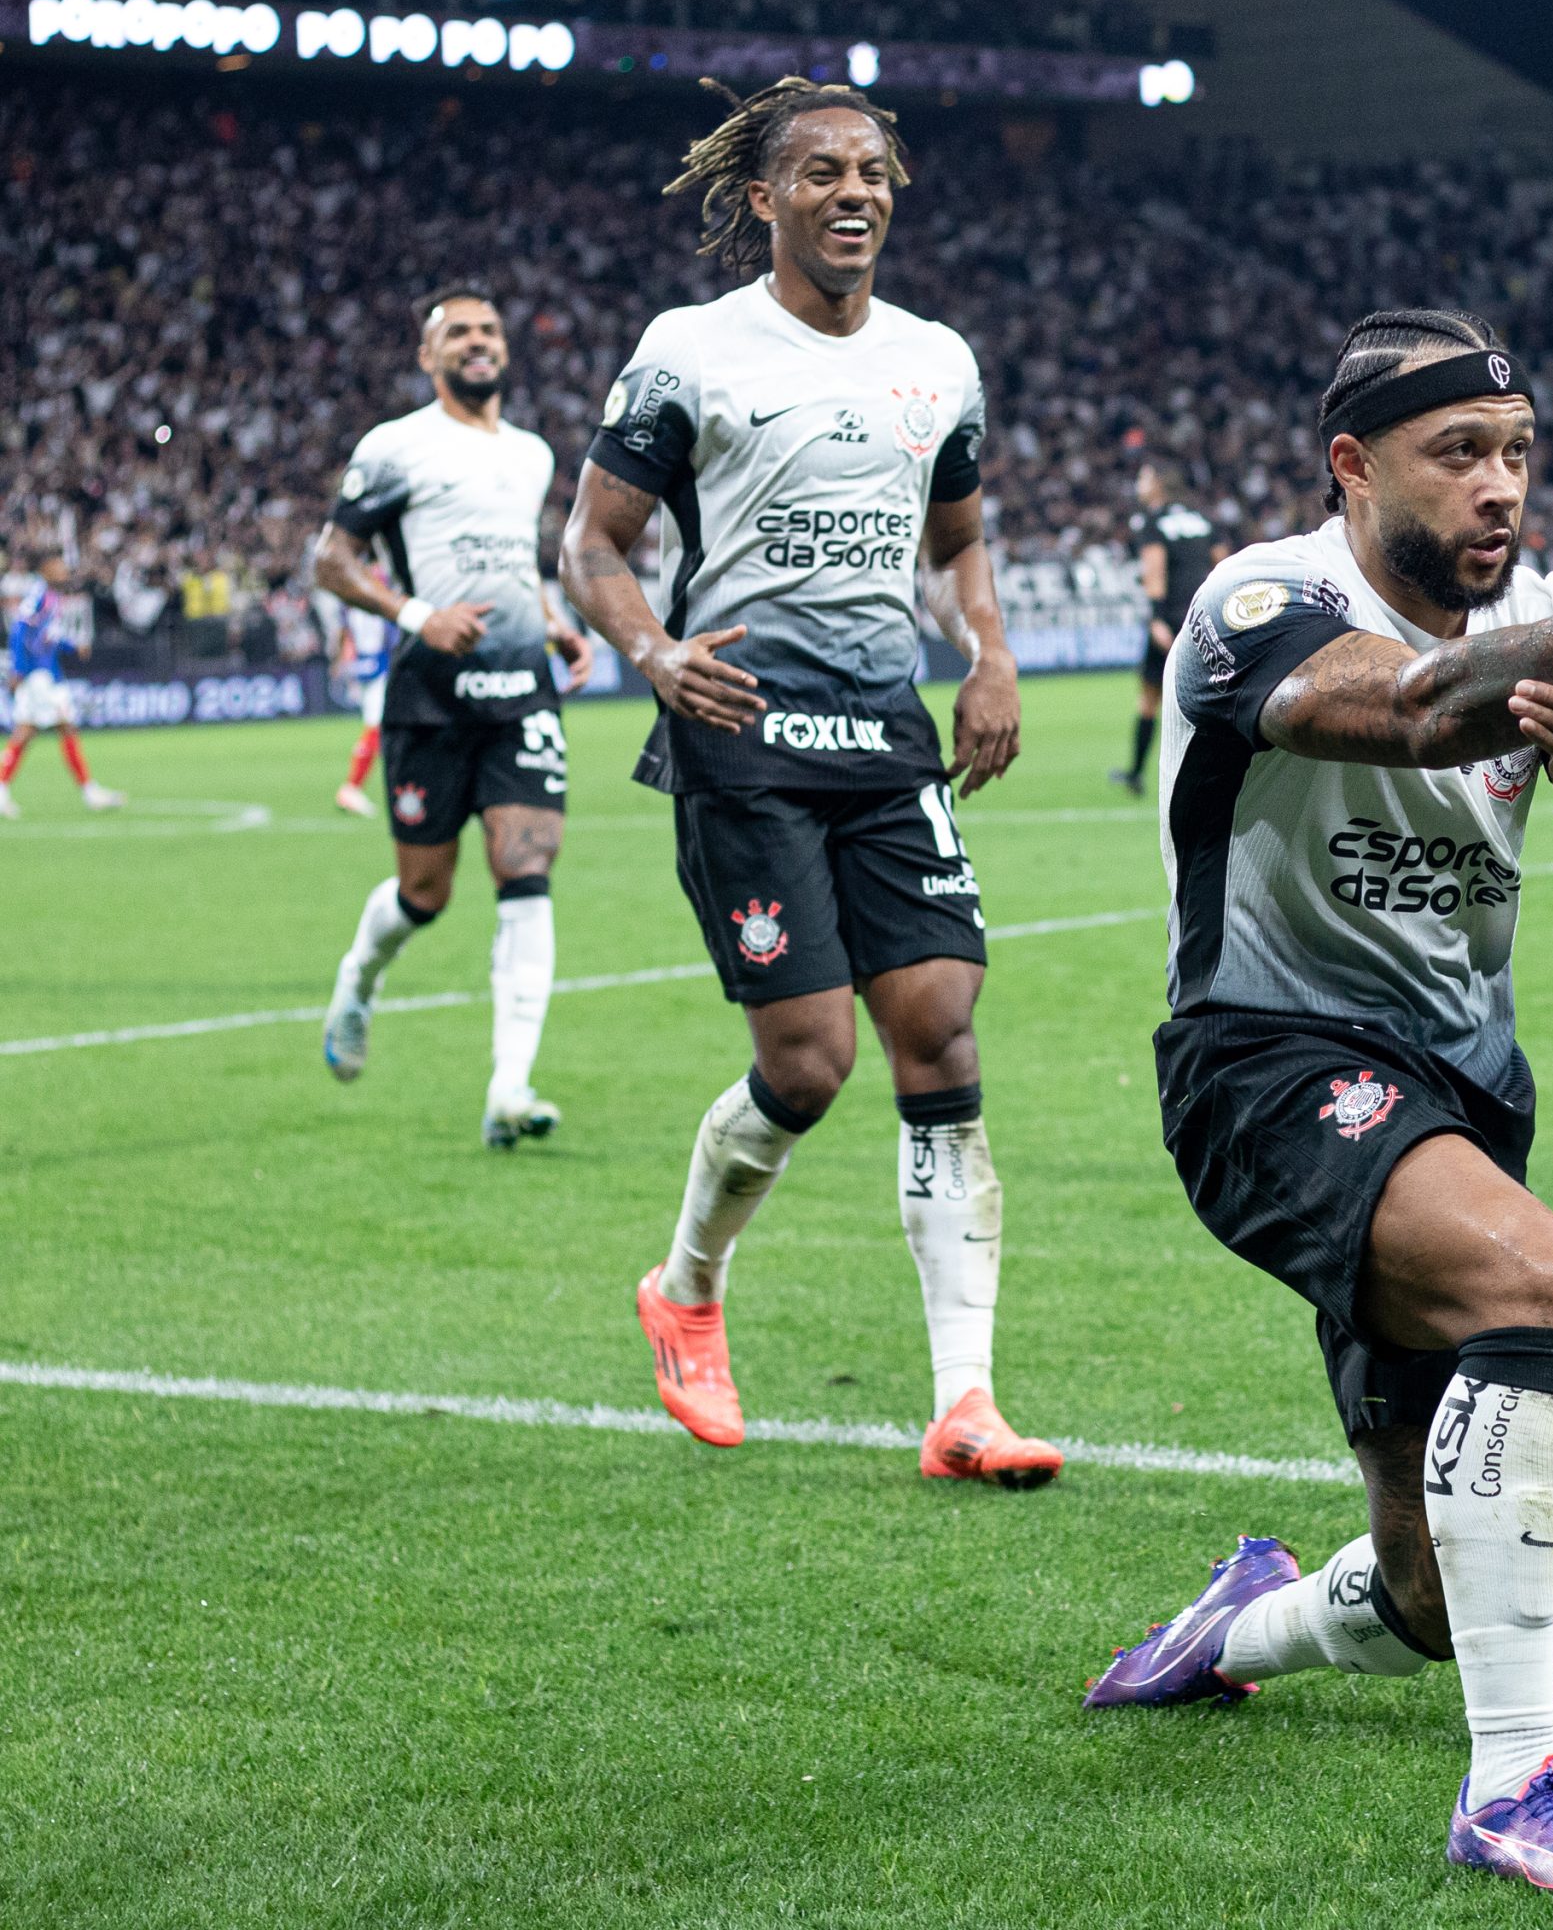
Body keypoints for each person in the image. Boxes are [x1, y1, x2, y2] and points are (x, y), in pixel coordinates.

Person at [1082, 307, 1553, 1893]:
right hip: (1265, 1062)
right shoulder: (1260, 601)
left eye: (1517, 455)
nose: (1500, 489)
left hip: (1460, 1087)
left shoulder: (1552, 619)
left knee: (1426, 1602)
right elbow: (1423, 704)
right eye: (1460, 456)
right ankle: (1518, 1788)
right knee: (1534, 1280)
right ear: (1354, 467)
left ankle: (1242, 1622)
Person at [560, 76, 1061, 1487]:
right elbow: (593, 544)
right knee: (809, 1061)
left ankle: (964, 1403)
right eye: (823, 172)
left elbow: (959, 538)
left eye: (875, 171)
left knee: (941, 1036)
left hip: (881, 726)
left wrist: (992, 652)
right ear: (765, 197)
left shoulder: (936, 361)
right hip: (740, 725)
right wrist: (652, 652)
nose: (856, 192)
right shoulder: (691, 352)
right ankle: (687, 1290)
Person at [312, 289, 594, 1146]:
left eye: (489, 331)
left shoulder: (534, 455)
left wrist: (553, 620)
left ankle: (510, 1087)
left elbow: (513, 559)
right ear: (428, 358)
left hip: (520, 693)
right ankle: (359, 978)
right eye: (458, 333)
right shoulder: (395, 447)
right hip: (430, 694)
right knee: (425, 894)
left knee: (525, 872)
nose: (478, 344)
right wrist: (414, 616)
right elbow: (331, 560)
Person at [1110, 462, 1223, 795]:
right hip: (1205, 617)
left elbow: (1154, 572)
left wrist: (1157, 617)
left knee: (1149, 699)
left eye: (1144, 478)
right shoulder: (1200, 519)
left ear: (1159, 483)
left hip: (1172, 618)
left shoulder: (1153, 522)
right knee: (1209, 699)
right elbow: (1224, 561)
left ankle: (1136, 773)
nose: (1139, 485)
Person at [0, 550, 125, 818]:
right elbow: (20, 630)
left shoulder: (53, 597)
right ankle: (90, 792)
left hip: (47, 674)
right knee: (60, 727)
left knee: (27, 732)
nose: (64, 569)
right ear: (46, 569)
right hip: (38, 676)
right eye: (58, 565)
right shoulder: (39, 595)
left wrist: (71, 646)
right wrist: (19, 670)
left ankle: (2, 790)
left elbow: (47, 637)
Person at [330, 597, 395, 819]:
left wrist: (341, 660)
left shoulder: (350, 605)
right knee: (376, 728)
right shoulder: (374, 599)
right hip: (379, 666)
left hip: (367, 665)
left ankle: (354, 787)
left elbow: (345, 634)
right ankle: (352, 788)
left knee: (380, 728)